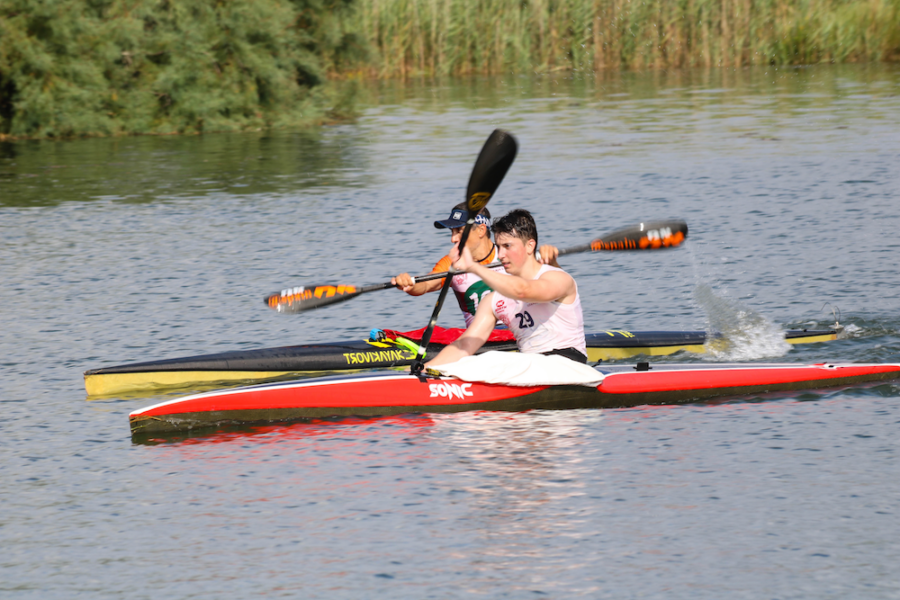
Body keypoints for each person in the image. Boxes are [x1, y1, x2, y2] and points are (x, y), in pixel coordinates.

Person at [425, 209, 586, 367]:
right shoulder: (492, 301)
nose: (501, 254)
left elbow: (523, 291)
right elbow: (463, 346)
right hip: (529, 366)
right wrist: (424, 371)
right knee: (475, 361)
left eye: (507, 246)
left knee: (492, 360)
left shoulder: (558, 278)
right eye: (499, 246)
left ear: (530, 246)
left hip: (569, 363)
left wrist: (473, 267)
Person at [393, 202, 560, 327]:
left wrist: (551, 262)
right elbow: (426, 284)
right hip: (480, 340)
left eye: (459, 231)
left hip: (520, 332)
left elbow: (557, 288)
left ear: (481, 230)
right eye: (452, 232)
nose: (453, 239)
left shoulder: (509, 255)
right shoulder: (452, 262)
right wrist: (410, 284)